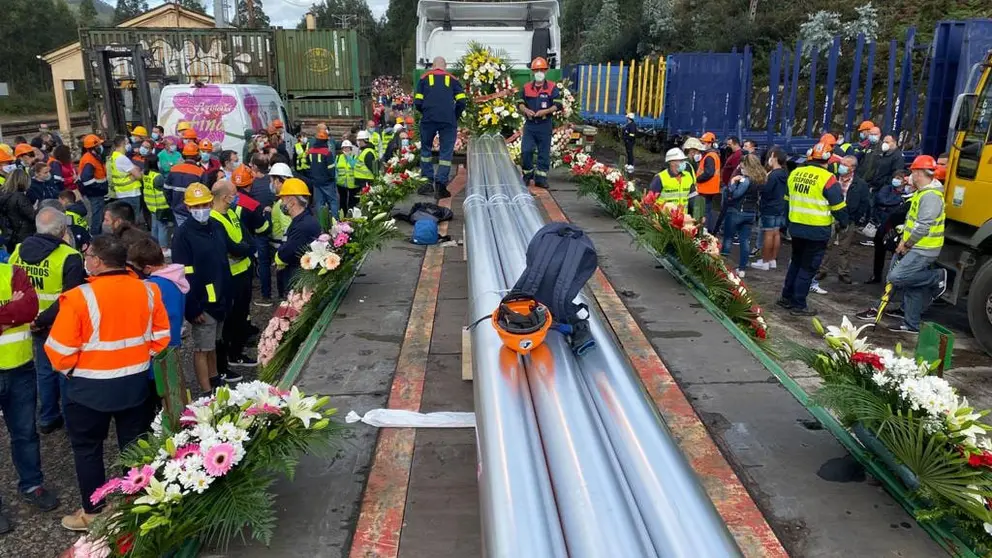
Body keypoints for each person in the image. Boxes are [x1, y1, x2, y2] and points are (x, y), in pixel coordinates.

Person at [44, 234, 168, 531]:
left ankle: (93, 514)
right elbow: (162, 337)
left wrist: (75, 371)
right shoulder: (148, 291)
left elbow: (58, 353)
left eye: (88, 257)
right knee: (134, 447)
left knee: (88, 450)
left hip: (88, 390)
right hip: (135, 386)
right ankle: (136, 505)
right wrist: (139, 360)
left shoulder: (78, 297)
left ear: (97, 262)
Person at [9, 205, 86, 434]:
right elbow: (70, 297)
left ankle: (48, 417)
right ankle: (71, 417)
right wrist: (43, 319)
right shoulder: (69, 256)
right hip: (58, 323)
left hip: (31, 322)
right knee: (65, 370)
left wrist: (30, 318)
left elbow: (13, 284)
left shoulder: (19, 249)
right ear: (63, 230)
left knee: (44, 370)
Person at [0, 258, 60, 533]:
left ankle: (32, 485)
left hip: (20, 369)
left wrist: (9, 311)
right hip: (16, 369)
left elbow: (29, 308)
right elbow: (19, 310)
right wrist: (9, 308)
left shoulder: (11, 271)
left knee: (25, 433)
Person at [864, 156, 948, 333]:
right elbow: (913, 222)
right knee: (912, 285)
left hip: (923, 248)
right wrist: (903, 241)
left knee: (896, 277)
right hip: (916, 245)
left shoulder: (930, 196)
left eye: (912, 172)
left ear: (918, 173)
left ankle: (936, 278)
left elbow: (924, 225)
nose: (909, 176)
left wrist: (907, 244)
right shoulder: (923, 193)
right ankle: (911, 323)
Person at [170, 183, 231, 394]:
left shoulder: (215, 226)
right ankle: (206, 390)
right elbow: (184, 274)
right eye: (197, 206)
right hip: (202, 301)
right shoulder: (183, 235)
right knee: (202, 348)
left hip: (220, 296)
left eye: (205, 204)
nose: (202, 210)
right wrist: (192, 308)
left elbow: (222, 260)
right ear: (188, 208)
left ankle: (214, 378)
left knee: (213, 343)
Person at [778, 141, 849, 316]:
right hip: (817, 231)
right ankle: (798, 304)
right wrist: (844, 223)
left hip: (796, 227)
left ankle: (786, 297)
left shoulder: (795, 173)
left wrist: (787, 224)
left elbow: (787, 202)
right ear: (828, 159)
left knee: (795, 262)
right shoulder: (828, 179)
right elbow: (838, 207)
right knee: (808, 267)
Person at [128, 236, 187, 412]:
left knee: (157, 397)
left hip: (155, 351)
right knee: (171, 393)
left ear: (146, 268)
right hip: (172, 344)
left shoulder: (153, 287)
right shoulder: (176, 279)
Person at [210, 181, 255, 373]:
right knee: (229, 321)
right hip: (231, 277)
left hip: (243, 272)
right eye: (234, 194)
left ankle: (237, 352)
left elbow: (247, 239)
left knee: (241, 316)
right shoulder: (214, 220)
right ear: (224, 197)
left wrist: (245, 249)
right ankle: (228, 358)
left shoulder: (231, 213)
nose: (236, 197)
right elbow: (234, 248)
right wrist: (244, 249)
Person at [415, 56, 466, 198]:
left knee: (426, 150)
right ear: (445, 66)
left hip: (428, 119)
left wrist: (426, 112)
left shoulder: (424, 78)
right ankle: (441, 186)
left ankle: (427, 183)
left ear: (432, 66)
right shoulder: (453, 79)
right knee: (446, 153)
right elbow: (462, 101)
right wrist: (454, 115)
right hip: (448, 120)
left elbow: (418, 101)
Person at [818, 155, 871, 284]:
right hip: (830, 217)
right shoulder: (831, 178)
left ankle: (843, 272)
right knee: (826, 245)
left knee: (844, 248)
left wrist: (855, 219)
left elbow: (864, 203)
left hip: (849, 219)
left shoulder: (860, 184)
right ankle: (821, 270)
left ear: (852, 168)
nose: (841, 166)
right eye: (841, 163)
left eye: (845, 165)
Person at [518, 57, 561, 190]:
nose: (539, 72)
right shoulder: (526, 88)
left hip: (544, 124)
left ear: (546, 71)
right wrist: (526, 110)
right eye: (536, 70)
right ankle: (527, 174)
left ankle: (541, 179)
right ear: (532, 72)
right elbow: (519, 103)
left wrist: (545, 111)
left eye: (542, 70)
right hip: (530, 125)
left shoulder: (552, 87)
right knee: (526, 150)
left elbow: (558, 105)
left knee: (543, 152)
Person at [721, 154, 767, 275]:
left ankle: (722, 265)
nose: (740, 168)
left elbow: (735, 194)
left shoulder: (746, 180)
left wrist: (732, 183)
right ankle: (742, 269)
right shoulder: (759, 180)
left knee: (728, 239)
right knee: (745, 241)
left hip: (737, 212)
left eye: (742, 166)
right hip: (750, 213)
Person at [274, 178, 320, 297]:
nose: (281, 203)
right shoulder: (304, 219)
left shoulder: (302, 226)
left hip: (296, 281)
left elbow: (286, 254)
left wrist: (278, 255)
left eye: (282, 199)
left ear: (292, 201)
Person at [751, 147, 789, 271]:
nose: (769, 159)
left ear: (775, 158)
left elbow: (766, 190)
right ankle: (772, 260)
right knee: (776, 233)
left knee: (768, 233)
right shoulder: (784, 174)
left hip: (769, 207)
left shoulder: (773, 175)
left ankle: (765, 261)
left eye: (771, 157)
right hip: (780, 206)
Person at [163, 142, 206, 228]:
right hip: (193, 212)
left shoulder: (174, 169)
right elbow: (204, 195)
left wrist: (172, 204)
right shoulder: (200, 172)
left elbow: (166, 190)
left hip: (177, 210)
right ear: (197, 156)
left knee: (180, 234)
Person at [648, 148, 700, 212]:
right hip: (664, 219)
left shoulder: (688, 176)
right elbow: (650, 201)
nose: (684, 163)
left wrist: (699, 214)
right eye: (680, 161)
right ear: (671, 162)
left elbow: (693, 197)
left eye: (683, 160)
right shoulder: (660, 178)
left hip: (682, 218)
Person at [685, 136, 721, 229]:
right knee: (705, 211)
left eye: (704, 143)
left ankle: (703, 231)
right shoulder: (713, 155)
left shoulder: (709, 156)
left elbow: (708, 173)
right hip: (708, 189)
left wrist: (697, 179)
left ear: (710, 143)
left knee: (703, 213)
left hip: (705, 189)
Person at [107, 136, 143, 222]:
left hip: (121, 192)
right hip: (131, 193)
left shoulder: (114, 157)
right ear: (123, 144)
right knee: (133, 220)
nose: (129, 145)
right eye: (128, 143)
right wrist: (137, 173)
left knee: (125, 220)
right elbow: (139, 176)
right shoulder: (122, 158)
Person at [0, 169, 36, 251]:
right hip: (22, 235)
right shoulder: (20, 197)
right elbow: (32, 216)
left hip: (7, 234)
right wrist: (36, 209)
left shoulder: (3, 194)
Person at [306, 128, 339, 216]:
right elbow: (331, 169)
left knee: (319, 203)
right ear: (325, 141)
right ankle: (335, 220)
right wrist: (332, 179)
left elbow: (308, 166)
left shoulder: (310, 152)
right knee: (333, 201)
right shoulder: (327, 153)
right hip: (327, 182)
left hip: (316, 182)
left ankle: (322, 224)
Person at [141, 154, 170, 251]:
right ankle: (163, 247)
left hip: (151, 204)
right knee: (162, 226)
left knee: (154, 226)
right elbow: (164, 189)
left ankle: (154, 245)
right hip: (160, 205)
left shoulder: (146, 174)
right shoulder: (158, 176)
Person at [351, 131, 378, 209]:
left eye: (360, 140)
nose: (358, 142)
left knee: (365, 201)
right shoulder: (365, 151)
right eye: (358, 140)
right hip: (363, 180)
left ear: (365, 140)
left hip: (366, 181)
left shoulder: (368, 152)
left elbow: (372, 168)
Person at [335, 140, 357, 211]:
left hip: (353, 184)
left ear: (351, 149)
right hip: (341, 184)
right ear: (342, 149)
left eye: (348, 148)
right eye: (344, 148)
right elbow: (335, 170)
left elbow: (356, 166)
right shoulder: (338, 158)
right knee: (342, 201)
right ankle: (343, 216)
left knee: (353, 201)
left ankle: (352, 215)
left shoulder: (354, 157)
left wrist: (349, 158)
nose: (346, 149)